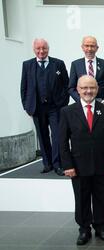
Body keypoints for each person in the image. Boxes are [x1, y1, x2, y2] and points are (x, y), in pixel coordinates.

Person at [59, 75, 104, 245]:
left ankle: (101, 227)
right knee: (81, 197)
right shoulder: (67, 112)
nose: (88, 91)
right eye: (84, 88)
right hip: (78, 165)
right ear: (77, 90)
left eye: (92, 88)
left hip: (103, 163)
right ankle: (84, 228)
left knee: (101, 196)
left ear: (97, 89)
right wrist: (67, 165)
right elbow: (62, 141)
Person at [20, 38, 69, 176]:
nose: (41, 51)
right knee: (42, 136)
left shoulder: (58, 64)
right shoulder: (27, 65)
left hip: (56, 107)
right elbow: (23, 87)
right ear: (34, 49)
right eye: (38, 48)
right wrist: (26, 106)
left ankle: (57, 164)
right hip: (37, 108)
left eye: (44, 48)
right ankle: (47, 164)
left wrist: (63, 103)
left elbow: (66, 84)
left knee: (57, 135)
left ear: (48, 49)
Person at [68, 36, 104, 105]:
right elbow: (71, 88)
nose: (89, 49)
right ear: (82, 47)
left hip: (100, 103)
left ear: (97, 48)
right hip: (82, 104)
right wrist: (80, 101)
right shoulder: (75, 64)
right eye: (87, 46)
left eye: (92, 46)